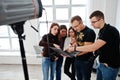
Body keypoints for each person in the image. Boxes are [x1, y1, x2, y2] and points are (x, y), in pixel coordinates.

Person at [67, 10, 120, 80]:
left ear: (101, 20)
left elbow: (93, 47)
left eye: (93, 22)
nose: (91, 24)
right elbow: (99, 48)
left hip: (109, 66)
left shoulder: (109, 30)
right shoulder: (101, 31)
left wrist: (74, 49)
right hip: (101, 64)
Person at [70, 15, 96, 80]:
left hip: (86, 61)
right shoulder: (78, 31)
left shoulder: (90, 32)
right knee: (78, 77)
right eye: (73, 27)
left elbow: (86, 50)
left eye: (76, 26)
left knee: (85, 78)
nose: (75, 29)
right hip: (78, 59)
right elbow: (78, 44)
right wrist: (74, 44)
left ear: (81, 22)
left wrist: (72, 53)